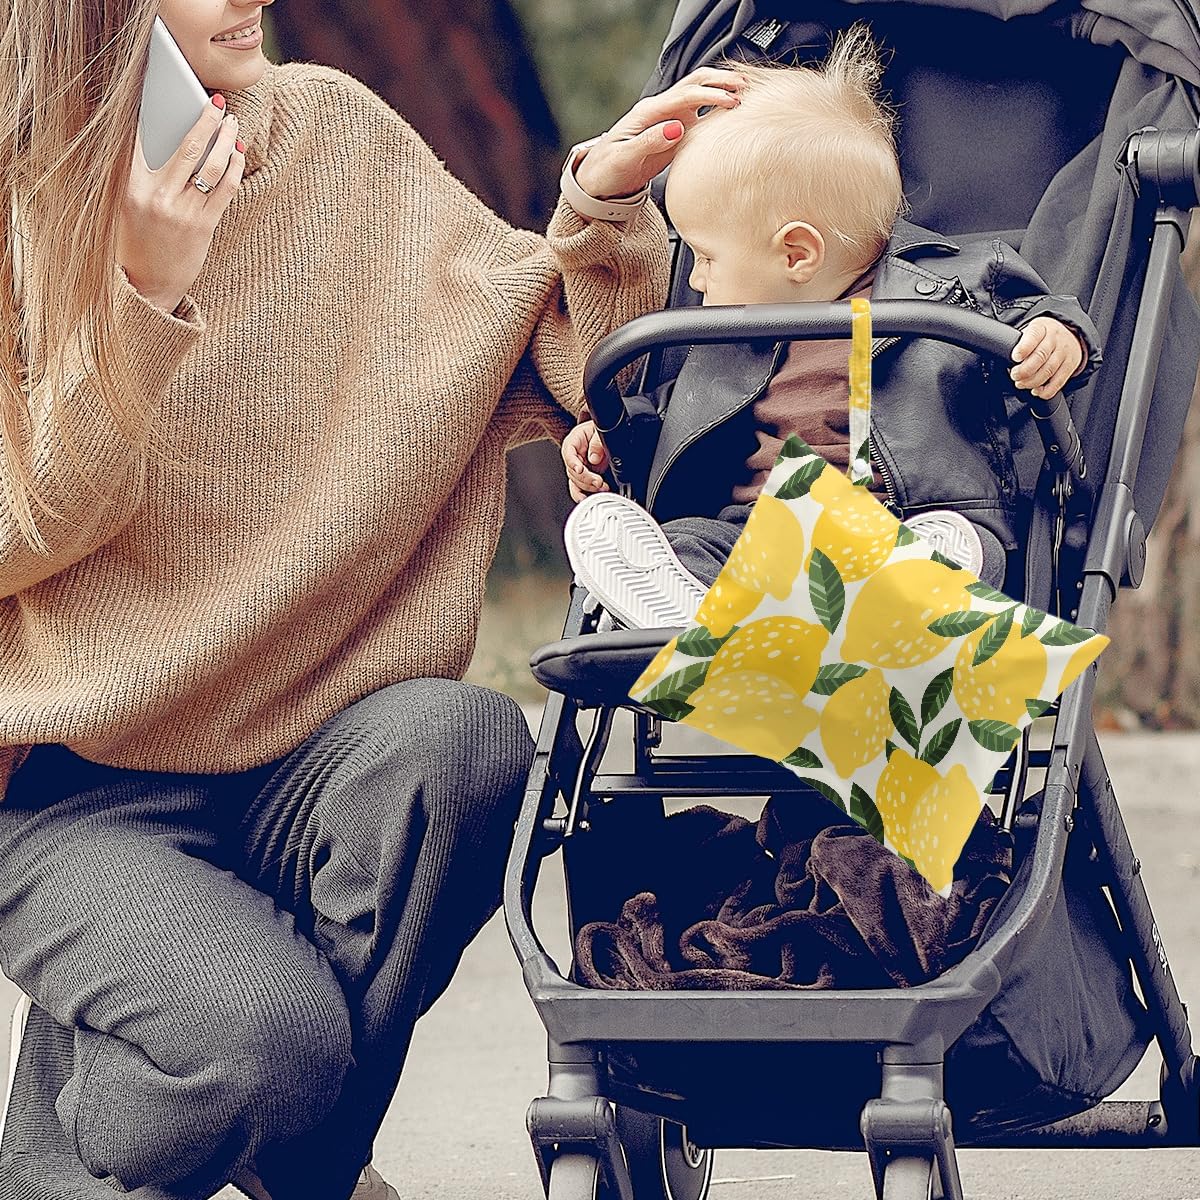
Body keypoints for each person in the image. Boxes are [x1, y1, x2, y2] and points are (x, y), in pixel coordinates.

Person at [0, 3, 747, 1198]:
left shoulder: (332, 137)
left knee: (468, 743)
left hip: (322, 758)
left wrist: (605, 213)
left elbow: (574, 362)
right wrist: (144, 297)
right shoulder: (20, 204)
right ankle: (230, 1140)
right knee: (266, 1046)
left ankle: (219, 1108)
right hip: (74, 793)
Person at [559, 31, 1101, 629]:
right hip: (751, 538)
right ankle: (694, 611)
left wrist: (1058, 336)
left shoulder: (949, 287)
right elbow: (675, 413)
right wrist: (615, 437)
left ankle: (881, 602)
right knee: (653, 535)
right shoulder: (723, 333)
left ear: (796, 254)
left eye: (706, 257)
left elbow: (1038, 311)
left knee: (959, 543)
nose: (696, 280)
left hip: (893, 526)